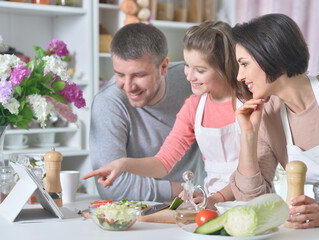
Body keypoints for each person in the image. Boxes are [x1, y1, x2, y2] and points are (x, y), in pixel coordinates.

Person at [83, 20, 251, 208]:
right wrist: (123, 164)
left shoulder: (251, 102)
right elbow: (163, 162)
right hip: (210, 201)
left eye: (200, 70)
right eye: (187, 66)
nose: (188, 76)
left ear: (225, 66)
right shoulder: (194, 105)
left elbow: (256, 167)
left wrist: (215, 197)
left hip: (248, 195)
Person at [230, 13, 319, 228]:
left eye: (244, 64)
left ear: (271, 55)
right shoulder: (267, 116)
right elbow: (251, 201)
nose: (239, 76)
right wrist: (249, 136)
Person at [87, 23, 205, 202]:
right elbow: (111, 186)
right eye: (119, 74)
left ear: (163, 66)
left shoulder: (192, 80)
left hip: (203, 202)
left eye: (138, 75)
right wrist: (187, 190)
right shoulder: (108, 103)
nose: (128, 87)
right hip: (145, 209)